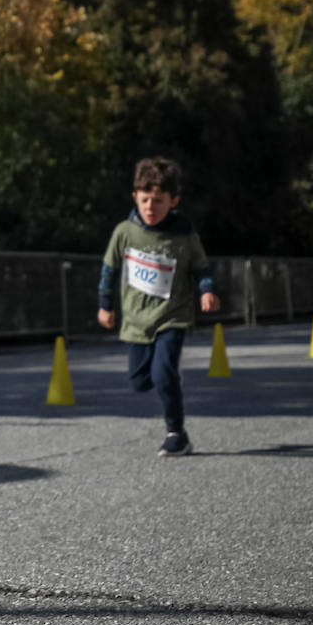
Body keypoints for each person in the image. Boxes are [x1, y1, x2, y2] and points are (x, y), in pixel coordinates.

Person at [97, 157, 220, 456]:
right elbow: (109, 271)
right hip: (137, 321)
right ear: (135, 198)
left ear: (173, 201)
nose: (151, 207)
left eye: (159, 201)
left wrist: (207, 291)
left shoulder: (183, 233)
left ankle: (176, 433)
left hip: (172, 316)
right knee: (140, 382)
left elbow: (200, 267)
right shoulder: (124, 232)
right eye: (145, 200)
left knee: (163, 373)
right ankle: (169, 379)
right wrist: (105, 306)